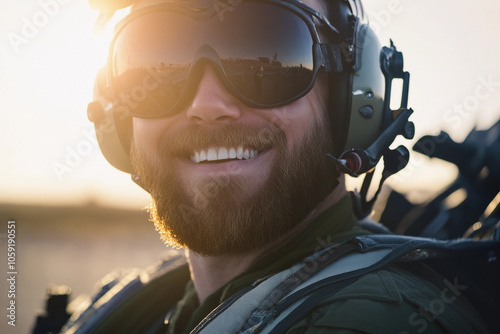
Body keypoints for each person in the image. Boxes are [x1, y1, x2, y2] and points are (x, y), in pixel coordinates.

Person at [55, 0, 493, 333]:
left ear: (355, 95)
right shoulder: (156, 302)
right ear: (116, 113)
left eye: (268, 46)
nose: (207, 107)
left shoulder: (369, 318)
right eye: (152, 63)